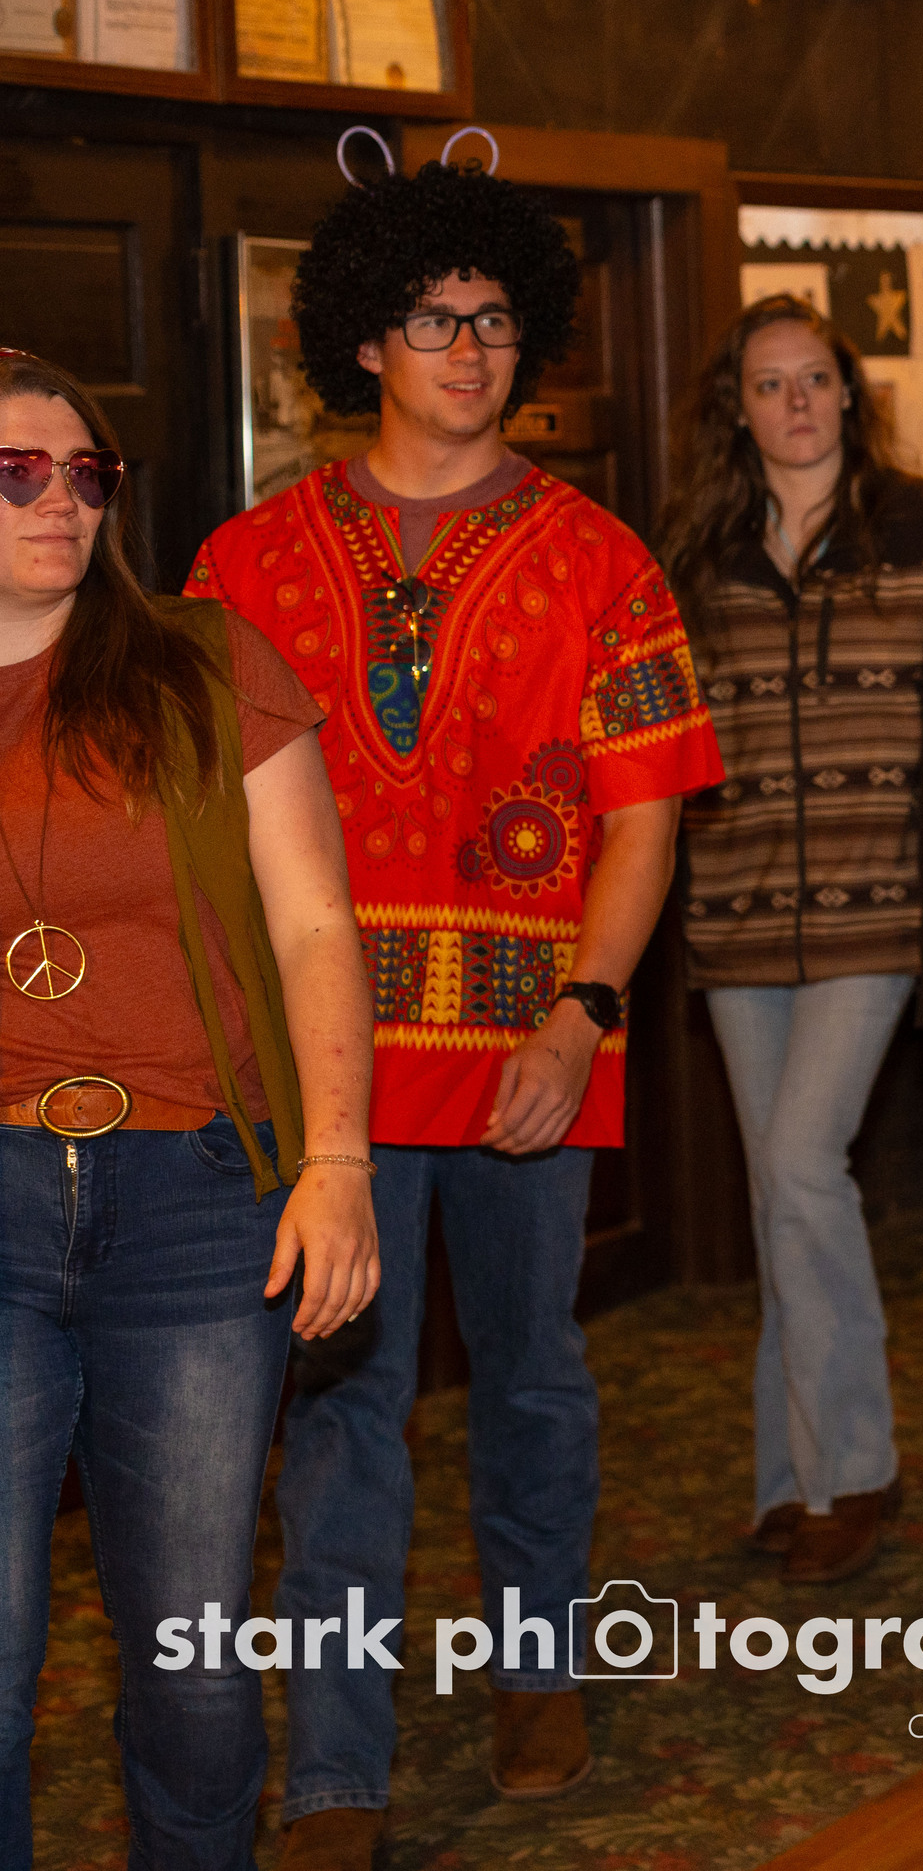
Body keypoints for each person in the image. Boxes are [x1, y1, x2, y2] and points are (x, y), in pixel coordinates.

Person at [185, 159, 725, 1865]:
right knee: (341, 1407)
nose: (470, 347)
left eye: (493, 319)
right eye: (434, 319)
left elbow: (647, 818)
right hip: (325, 1081)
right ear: (365, 341)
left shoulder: (606, 561)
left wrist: (583, 1013)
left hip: (525, 1062)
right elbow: (193, 820)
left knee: (531, 1376)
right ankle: (338, 1763)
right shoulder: (243, 561)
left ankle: (538, 1665)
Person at [0, 352, 377, 1868]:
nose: (61, 499)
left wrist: (338, 1158)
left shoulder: (205, 663)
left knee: (194, 1661)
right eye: (16, 471)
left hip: (198, 1201)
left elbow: (315, 926)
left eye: (85, 473)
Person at [658, 295, 923, 1585]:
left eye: (814, 378)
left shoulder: (918, 524)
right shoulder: (697, 547)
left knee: (804, 1165)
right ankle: (789, 1471)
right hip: (737, 907)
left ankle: (852, 1467)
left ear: (848, 391)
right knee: (779, 1195)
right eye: (769, 384)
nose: (795, 402)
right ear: (736, 407)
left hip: (880, 903)